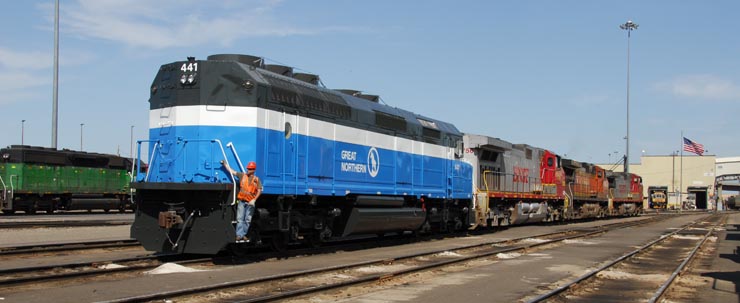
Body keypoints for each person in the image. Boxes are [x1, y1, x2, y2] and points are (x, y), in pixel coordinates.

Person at [222, 160, 262, 242]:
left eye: (250, 169)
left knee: (248, 219)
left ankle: (243, 234)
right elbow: (232, 172)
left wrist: (254, 200)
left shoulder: (257, 180)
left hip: (250, 203)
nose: (248, 170)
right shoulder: (242, 175)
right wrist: (225, 165)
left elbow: (259, 190)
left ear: (254, 170)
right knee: (240, 218)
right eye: (248, 168)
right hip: (242, 201)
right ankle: (239, 235)